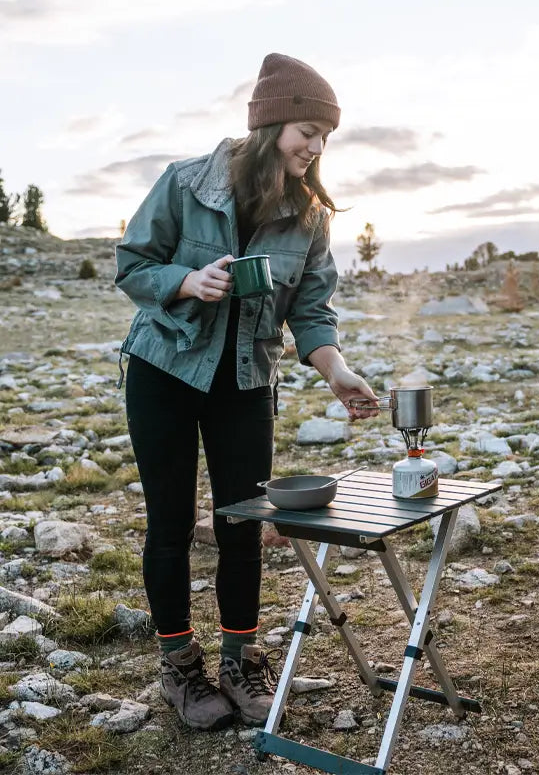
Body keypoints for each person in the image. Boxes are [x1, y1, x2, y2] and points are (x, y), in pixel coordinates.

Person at [114, 53, 378, 731]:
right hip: (165, 373)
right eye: (308, 130)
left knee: (243, 527)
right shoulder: (183, 183)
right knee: (170, 524)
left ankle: (241, 661)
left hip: (245, 381)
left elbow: (313, 312)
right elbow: (132, 263)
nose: (317, 146)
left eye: (325, 136)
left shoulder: (309, 217)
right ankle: (179, 669)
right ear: (270, 124)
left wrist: (337, 371)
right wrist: (185, 281)